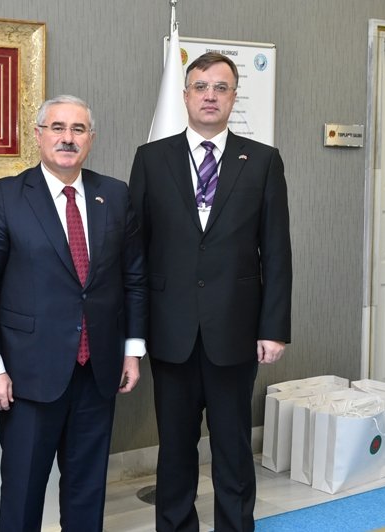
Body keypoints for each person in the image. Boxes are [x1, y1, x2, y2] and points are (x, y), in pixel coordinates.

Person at [0, 95, 148, 532]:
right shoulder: (8, 196)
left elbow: (134, 277)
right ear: (38, 135)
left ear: (91, 139)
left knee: (88, 490)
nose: (68, 138)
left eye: (78, 129)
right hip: (29, 375)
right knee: (23, 493)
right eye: (58, 128)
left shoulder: (114, 195)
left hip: (97, 371)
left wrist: (132, 350)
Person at [129, 52, 292, 532]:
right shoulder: (151, 158)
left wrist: (274, 327)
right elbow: (135, 251)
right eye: (200, 87)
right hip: (171, 330)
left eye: (221, 87)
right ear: (185, 96)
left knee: (233, 448)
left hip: (235, 332)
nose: (210, 96)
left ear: (233, 97)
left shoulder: (262, 161)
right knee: (175, 449)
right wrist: (133, 333)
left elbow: (276, 251)